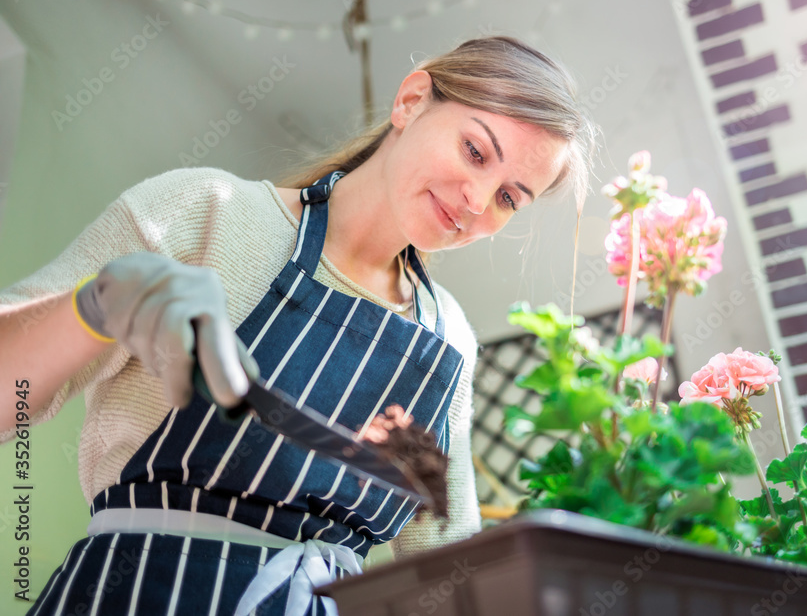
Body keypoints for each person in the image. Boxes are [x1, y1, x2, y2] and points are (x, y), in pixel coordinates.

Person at [0, 35, 596, 615]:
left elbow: (451, 569)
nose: (476, 201)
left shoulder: (447, 341)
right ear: (411, 101)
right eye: (475, 151)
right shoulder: (204, 213)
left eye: (509, 199)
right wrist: (97, 308)